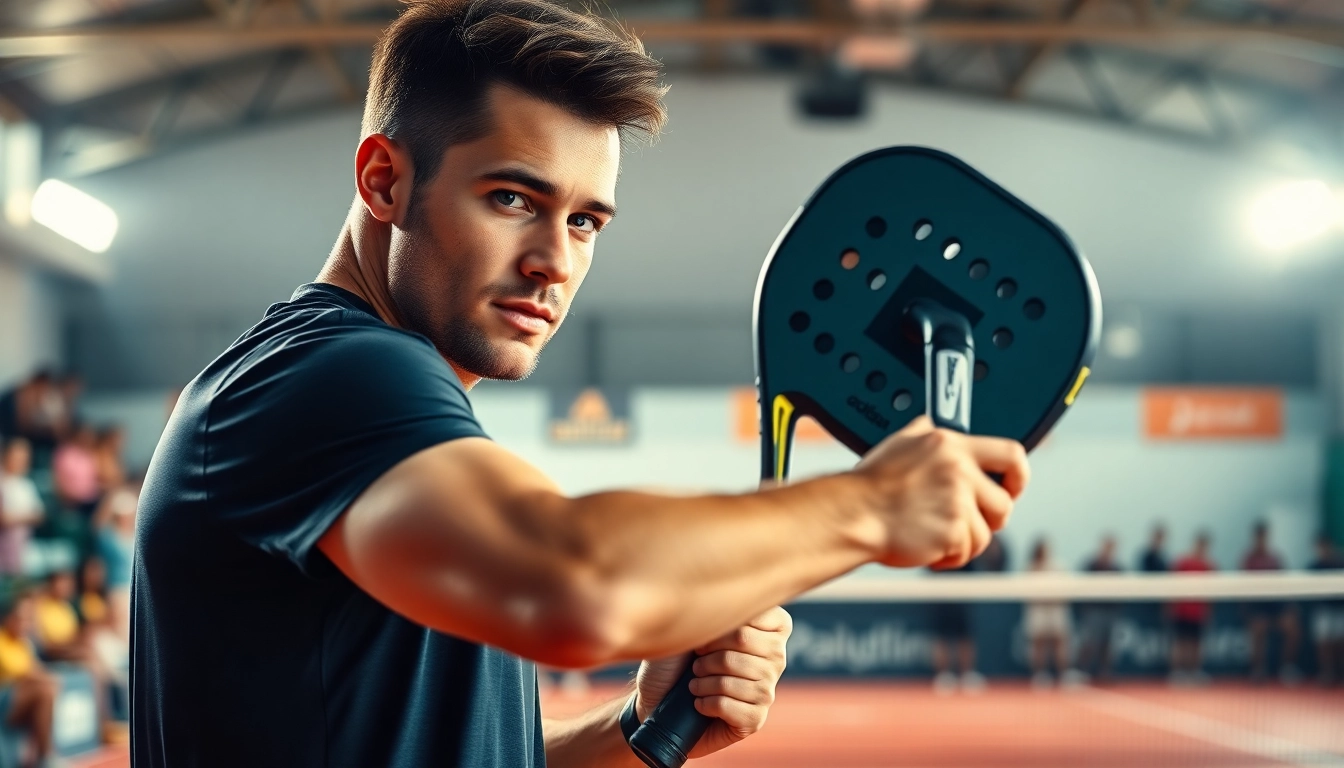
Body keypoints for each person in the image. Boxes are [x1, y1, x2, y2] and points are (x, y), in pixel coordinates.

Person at [131, 1, 1031, 766]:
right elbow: (576, 584)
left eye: (586, 221)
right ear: (384, 180)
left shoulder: (374, 412)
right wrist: (872, 504)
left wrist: (635, 727)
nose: (554, 262)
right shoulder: (331, 374)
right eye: (513, 199)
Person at [0, 592, 62, 768]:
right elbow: (22, 673)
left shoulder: (25, 643)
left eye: (29, 620)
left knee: (46, 692)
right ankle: (46, 758)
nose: (26, 624)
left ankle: (43, 756)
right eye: (21, 619)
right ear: (8, 618)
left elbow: (39, 671)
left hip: (18, 701)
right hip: (3, 702)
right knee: (43, 689)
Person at [1240, 520, 1300, 684]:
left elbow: (1284, 582)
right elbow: (1242, 587)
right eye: (1259, 536)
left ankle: (1287, 667)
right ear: (1254, 537)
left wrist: (1289, 606)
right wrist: (1247, 612)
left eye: (1264, 536)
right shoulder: (1248, 559)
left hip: (1276, 604)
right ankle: (1257, 670)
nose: (1261, 539)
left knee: (1292, 627)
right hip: (1257, 605)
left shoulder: (1275, 558)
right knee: (1258, 629)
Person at [1023, 538, 1078, 688]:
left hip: (1056, 609)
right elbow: (1027, 590)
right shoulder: (1030, 567)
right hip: (1038, 609)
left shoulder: (1058, 566)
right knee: (1038, 643)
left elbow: (1066, 588)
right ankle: (1039, 675)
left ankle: (1063, 674)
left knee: (1060, 642)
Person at [1170, 531, 1215, 686]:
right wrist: (1171, 606)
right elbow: (1173, 585)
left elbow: (1211, 590)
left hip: (1199, 612)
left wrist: (1208, 610)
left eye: (1204, 546)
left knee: (1196, 643)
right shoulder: (1183, 562)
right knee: (1181, 642)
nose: (1201, 548)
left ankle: (1194, 672)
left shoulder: (1208, 565)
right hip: (1182, 610)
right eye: (1199, 544)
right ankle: (1178, 672)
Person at [1076, 533, 1122, 683]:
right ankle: (1081, 670)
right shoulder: (1092, 565)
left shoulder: (1116, 567)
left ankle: (1104, 672)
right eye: (1106, 546)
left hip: (1110, 610)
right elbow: (1084, 586)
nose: (1108, 549)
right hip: (1094, 610)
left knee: (1108, 644)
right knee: (1090, 641)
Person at [0, 439, 45, 577]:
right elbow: (3, 519)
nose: (21, 461)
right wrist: (27, 517)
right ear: (6, 455)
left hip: (25, 543)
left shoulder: (27, 484)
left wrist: (16, 518)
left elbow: (40, 515)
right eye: (17, 457)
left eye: (24, 458)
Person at [1308, 532, 1344, 686]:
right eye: (1320, 547)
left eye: (1325, 546)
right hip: (1323, 611)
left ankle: (1341, 672)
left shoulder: (1340, 563)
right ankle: (1327, 672)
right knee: (1323, 636)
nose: (1322, 550)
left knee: (1340, 639)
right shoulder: (1314, 567)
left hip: (1340, 610)